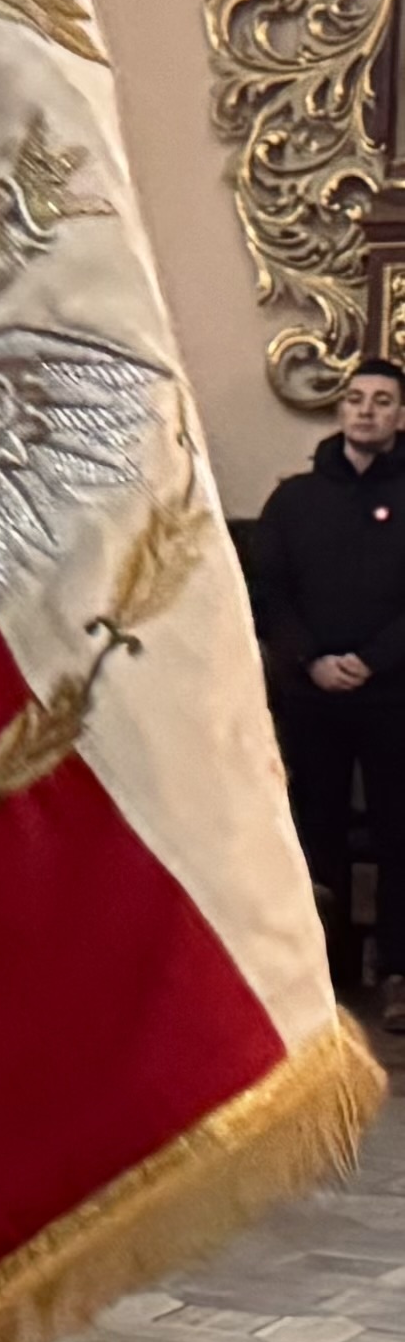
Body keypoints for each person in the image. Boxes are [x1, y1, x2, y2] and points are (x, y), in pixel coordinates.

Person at [251, 358, 405, 1026]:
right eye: (356, 398)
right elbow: (268, 592)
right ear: (341, 410)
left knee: (400, 832)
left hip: (394, 694)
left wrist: (371, 661)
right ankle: (322, 975)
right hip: (311, 695)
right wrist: (311, 659)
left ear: (400, 415)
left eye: (382, 400)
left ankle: (398, 973)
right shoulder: (294, 500)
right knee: (316, 830)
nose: (366, 410)